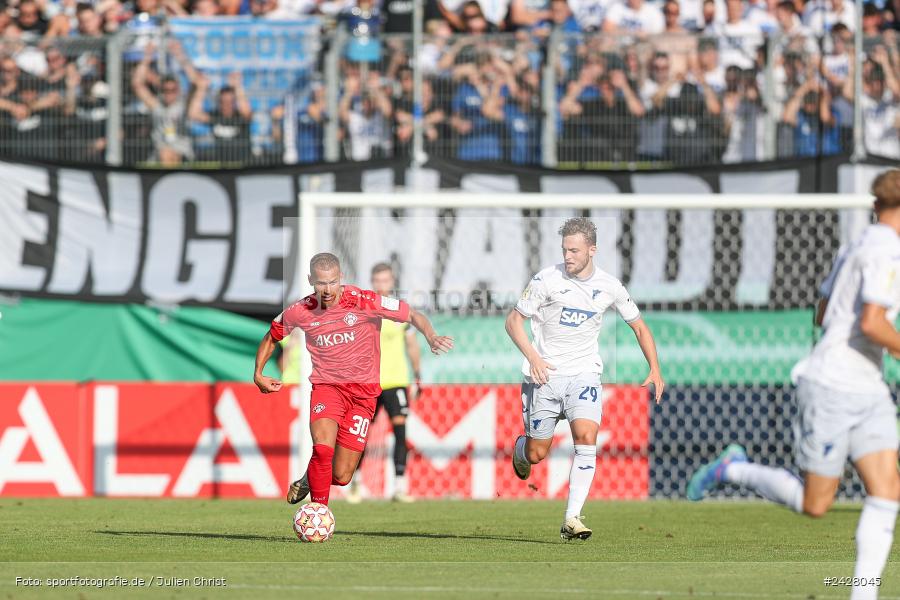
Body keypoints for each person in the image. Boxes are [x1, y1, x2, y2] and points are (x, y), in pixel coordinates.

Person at [687, 169, 900, 600]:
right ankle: (734, 469)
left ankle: (864, 595)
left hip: (868, 386)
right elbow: (873, 322)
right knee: (815, 504)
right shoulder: (886, 251)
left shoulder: (856, 245)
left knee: (887, 490)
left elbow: (822, 313)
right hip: (833, 386)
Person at [506, 217, 665, 540]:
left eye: (575, 250)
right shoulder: (545, 280)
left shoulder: (610, 286)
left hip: (584, 375)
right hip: (544, 376)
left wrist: (655, 368)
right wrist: (533, 358)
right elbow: (512, 322)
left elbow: (639, 326)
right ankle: (521, 449)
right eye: (565, 250)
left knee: (586, 439)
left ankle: (572, 518)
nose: (568, 256)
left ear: (592, 250)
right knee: (538, 454)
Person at [253, 252, 453, 507]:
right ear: (310, 280)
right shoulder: (300, 310)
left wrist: (431, 336)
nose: (327, 289)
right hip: (328, 389)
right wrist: (258, 373)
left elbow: (412, 315)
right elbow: (272, 336)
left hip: (363, 396)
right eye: (321, 283)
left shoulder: (364, 301)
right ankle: (318, 512)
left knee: (342, 475)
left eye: (333, 282)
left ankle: (309, 477)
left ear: (341, 278)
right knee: (323, 449)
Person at [347, 263, 424, 503]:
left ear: (392, 282)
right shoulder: (363, 310)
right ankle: (356, 485)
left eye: (385, 280)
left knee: (400, 431)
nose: (381, 285)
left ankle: (399, 487)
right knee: (362, 434)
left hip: (396, 381)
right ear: (372, 282)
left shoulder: (400, 312)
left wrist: (418, 374)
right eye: (377, 280)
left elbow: (411, 345)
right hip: (368, 382)